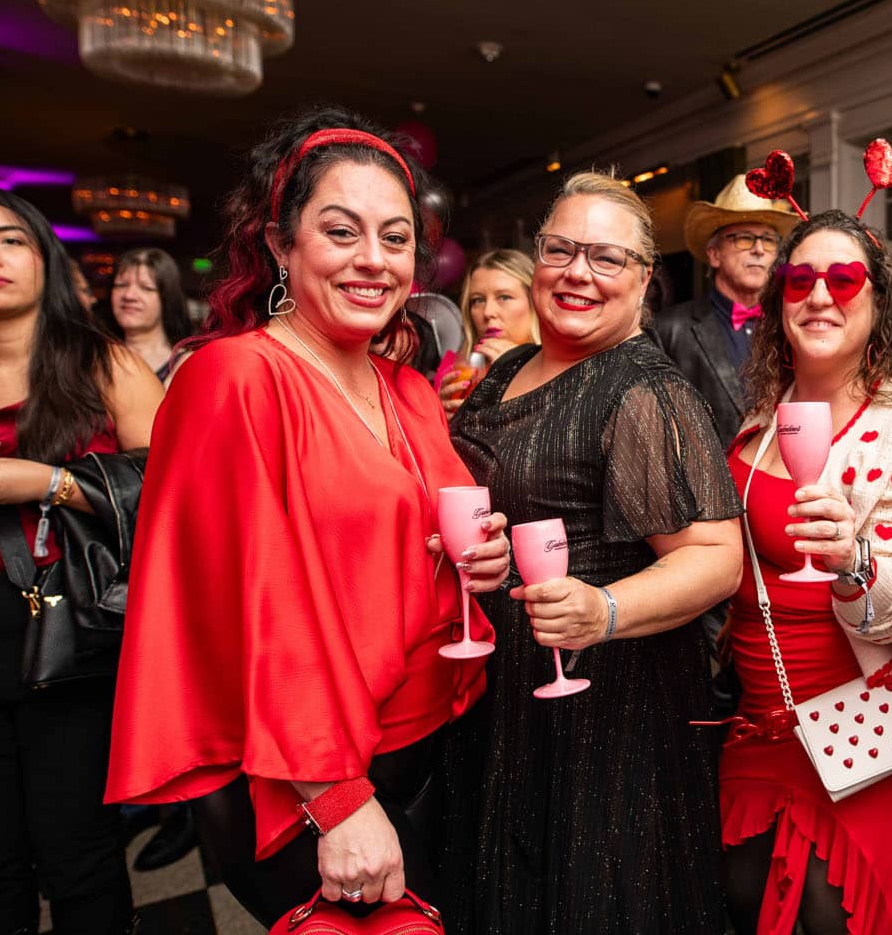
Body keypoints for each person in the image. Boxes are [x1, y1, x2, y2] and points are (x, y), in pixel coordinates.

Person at [103, 108, 511, 926]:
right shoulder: (235, 378)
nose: (373, 260)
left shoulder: (404, 391)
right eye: (341, 231)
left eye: (396, 239)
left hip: (420, 748)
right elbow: (242, 607)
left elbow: (390, 542)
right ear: (281, 245)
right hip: (301, 776)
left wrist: (473, 561)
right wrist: (335, 798)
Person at [440, 171, 743, 934]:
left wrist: (603, 609)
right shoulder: (508, 368)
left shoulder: (642, 390)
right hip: (508, 687)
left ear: (644, 279)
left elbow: (716, 558)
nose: (578, 272)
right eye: (561, 249)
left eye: (606, 258)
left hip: (606, 709)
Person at [719, 208, 892, 935]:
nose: (819, 295)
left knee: (831, 917)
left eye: (844, 279)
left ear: (879, 305)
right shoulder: (761, 417)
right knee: (744, 905)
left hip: (861, 728)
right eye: (799, 278)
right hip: (758, 725)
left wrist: (854, 561)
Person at [0, 185, 163, 934]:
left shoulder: (98, 362)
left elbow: (173, 487)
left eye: (9, 238)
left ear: (43, 258)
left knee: (78, 853)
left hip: (73, 627)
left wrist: (50, 482)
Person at [649, 174, 800, 445]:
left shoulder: (794, 324)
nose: (758, 249)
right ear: (714, 254)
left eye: (768, 239)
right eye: (744, 238)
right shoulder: (667, 330)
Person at [439, 248, 538, 413]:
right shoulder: (456, 372)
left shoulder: (559, 370)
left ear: (534, 301)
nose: (487, 312)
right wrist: (438, 419)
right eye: (478, 300)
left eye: (504, 297)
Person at [110, 247, 194, 384]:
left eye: (146, 288)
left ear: (167, 297)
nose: (128, 295)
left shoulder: (183, 364)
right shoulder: (97, 356)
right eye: (121, 285)